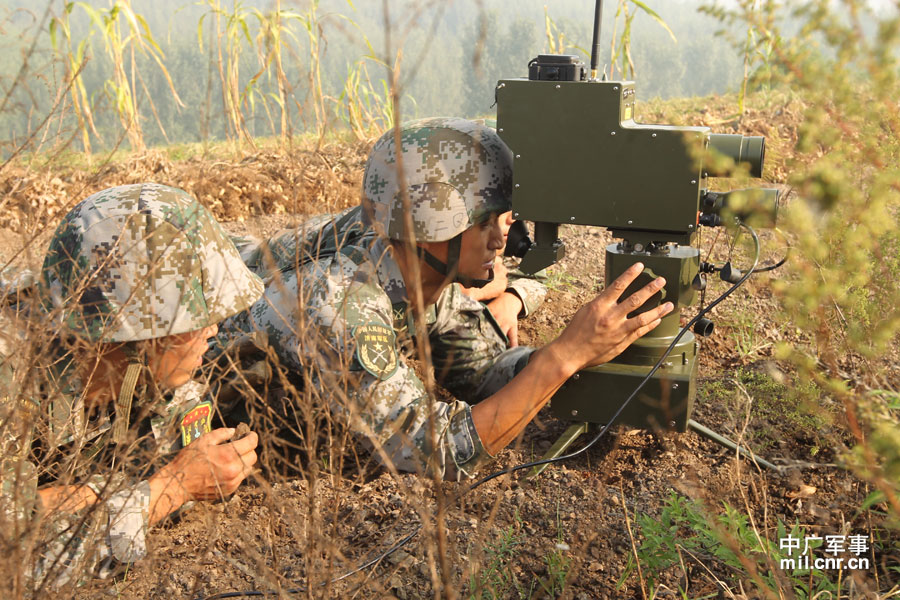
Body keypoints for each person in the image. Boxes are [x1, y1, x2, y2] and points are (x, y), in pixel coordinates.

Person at [218, 117, 672, 479]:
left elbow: (486, 371)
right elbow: (437, 451)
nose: (501, 239)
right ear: (429, 227)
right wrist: (564, 358)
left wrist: (580, 351)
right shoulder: (343, 305)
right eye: (483, 222)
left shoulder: (420, 273)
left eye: (505, 219)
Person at [0, 183, 264, 592]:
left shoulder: (156, 371)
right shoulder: (11, 376)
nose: (213, 330)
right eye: (194, 320)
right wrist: (171, 488)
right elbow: (15, 560)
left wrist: (41, 504)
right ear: (131, 333)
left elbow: (144, 469)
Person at [458, 210, 547, 347]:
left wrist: (511, 300)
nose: (513, 218)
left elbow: (533, 275)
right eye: (498, 207)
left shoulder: (493, 240)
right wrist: (474, 291)